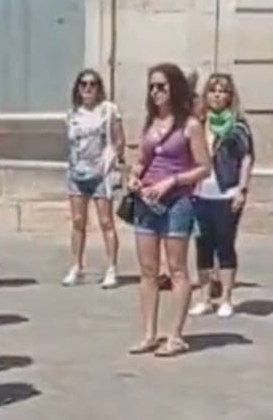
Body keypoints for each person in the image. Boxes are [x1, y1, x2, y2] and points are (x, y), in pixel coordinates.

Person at [125, 63, 211, 357]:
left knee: (177, 269)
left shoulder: (190, 125)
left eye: (162, 86)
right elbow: (141, 158)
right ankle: (149, 333)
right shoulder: (150, 123)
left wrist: (172, 181)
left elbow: (204, 168)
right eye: (152, 87)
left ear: (174, 87)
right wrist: (134, 175)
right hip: (147, 202)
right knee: (148, 271)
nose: (156, 92)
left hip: (177, 202)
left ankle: (175, 334)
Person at [189, 73, 254, 318]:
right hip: (200, 191)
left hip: (227, 191)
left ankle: (226, 298)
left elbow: (247, 157)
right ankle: (204, 298)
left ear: (230, 96)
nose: (217, 95)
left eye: (223, 91)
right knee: (202, 246)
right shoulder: (198, 122)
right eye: (213, 90)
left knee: (225, 245)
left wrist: (242, 189)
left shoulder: (238, 125)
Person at [62, 69, 124, 288]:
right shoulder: (72, 114)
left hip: (101, 172)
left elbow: (118, 139)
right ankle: (76, 266)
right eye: (83, 84)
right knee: (78, 221)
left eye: (92, 84)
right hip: (77, 171)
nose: (88, 88)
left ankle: (112, 267)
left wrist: (110, 161)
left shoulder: (108, 110)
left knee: (106, 221)